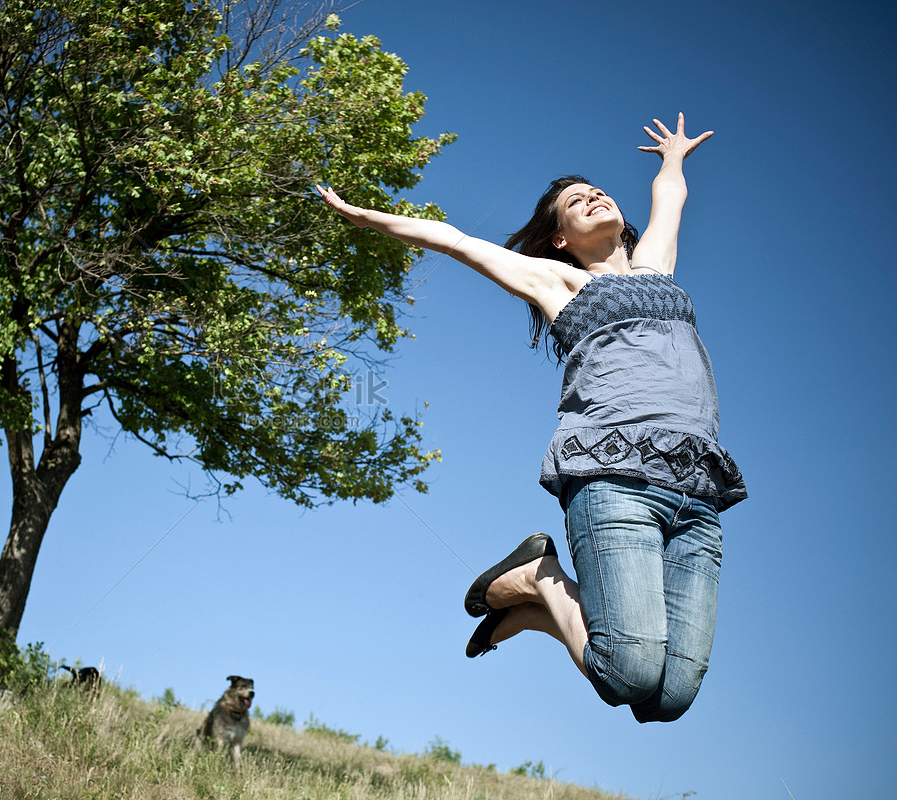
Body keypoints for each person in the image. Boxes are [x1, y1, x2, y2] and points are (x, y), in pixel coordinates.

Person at [317, 113, 746, 723]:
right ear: (561, 238)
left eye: (599, 191)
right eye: (576, 201)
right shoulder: (559, 283)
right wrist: (370, 218)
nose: (595, 196)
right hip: (615, 474)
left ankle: (539, 608)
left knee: (667, 700)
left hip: (698, 487)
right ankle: (544, 579)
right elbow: (455, 239)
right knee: (628, 674)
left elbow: (669, 198)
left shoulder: (657, 269)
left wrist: (673, 159)